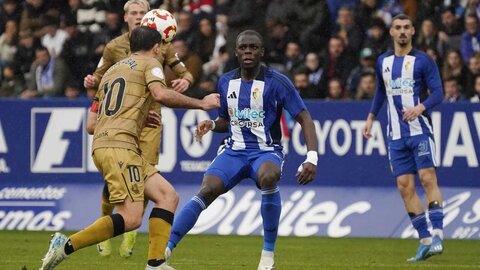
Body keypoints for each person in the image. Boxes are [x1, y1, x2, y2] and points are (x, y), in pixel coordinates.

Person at [38, 26, 220, 270]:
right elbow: (161, 94)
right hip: (120, 147)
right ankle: (66, 244)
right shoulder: (151, 64)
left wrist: (140, 118)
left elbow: (91, 125)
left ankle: (155, 264)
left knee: (167, 196)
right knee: (131, 218)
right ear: (156, 47)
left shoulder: (112, 72)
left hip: (109, 145)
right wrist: (202, 103)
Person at [164, 30, 318, 270]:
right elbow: (227, 120)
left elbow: (304, 117)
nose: (248, 51)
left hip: (266, 151)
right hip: (234, 151)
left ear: (261, 52)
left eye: (253, 47)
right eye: (243, 47)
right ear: (236, 52)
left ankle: (267, 256)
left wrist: (312, 157)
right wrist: (213, 124)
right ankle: (165, 250)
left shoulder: (277, 81)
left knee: (268, 177)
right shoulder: (226, 81)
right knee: (208, 189)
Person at [83, 0, 194, 258]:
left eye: (142, 13)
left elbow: (186, 73)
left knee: (146, 176)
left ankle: (133, 228)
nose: (138, 17)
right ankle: (109, 221)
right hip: (121, 122)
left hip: (150, 119)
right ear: (125, 17)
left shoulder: (162, 47)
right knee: (119, 180)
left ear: (150, 18)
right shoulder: (114, 47)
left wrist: (184, 81)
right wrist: (91, 81)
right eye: (133, 13)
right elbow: (97, 80)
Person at [363, 14, 445, 262]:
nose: (402, 32)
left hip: (420, 130)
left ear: (413, 31)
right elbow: (381, 91)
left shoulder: (423, 61)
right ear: (391, 32)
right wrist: (370, 117)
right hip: (395, 137)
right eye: (397, 28)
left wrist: (420, 108)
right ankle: (425, 241)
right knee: (404, 187)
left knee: (427, 177)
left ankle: (439, 235)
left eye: (406, 28)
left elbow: (439, 92)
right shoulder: (383, 62)